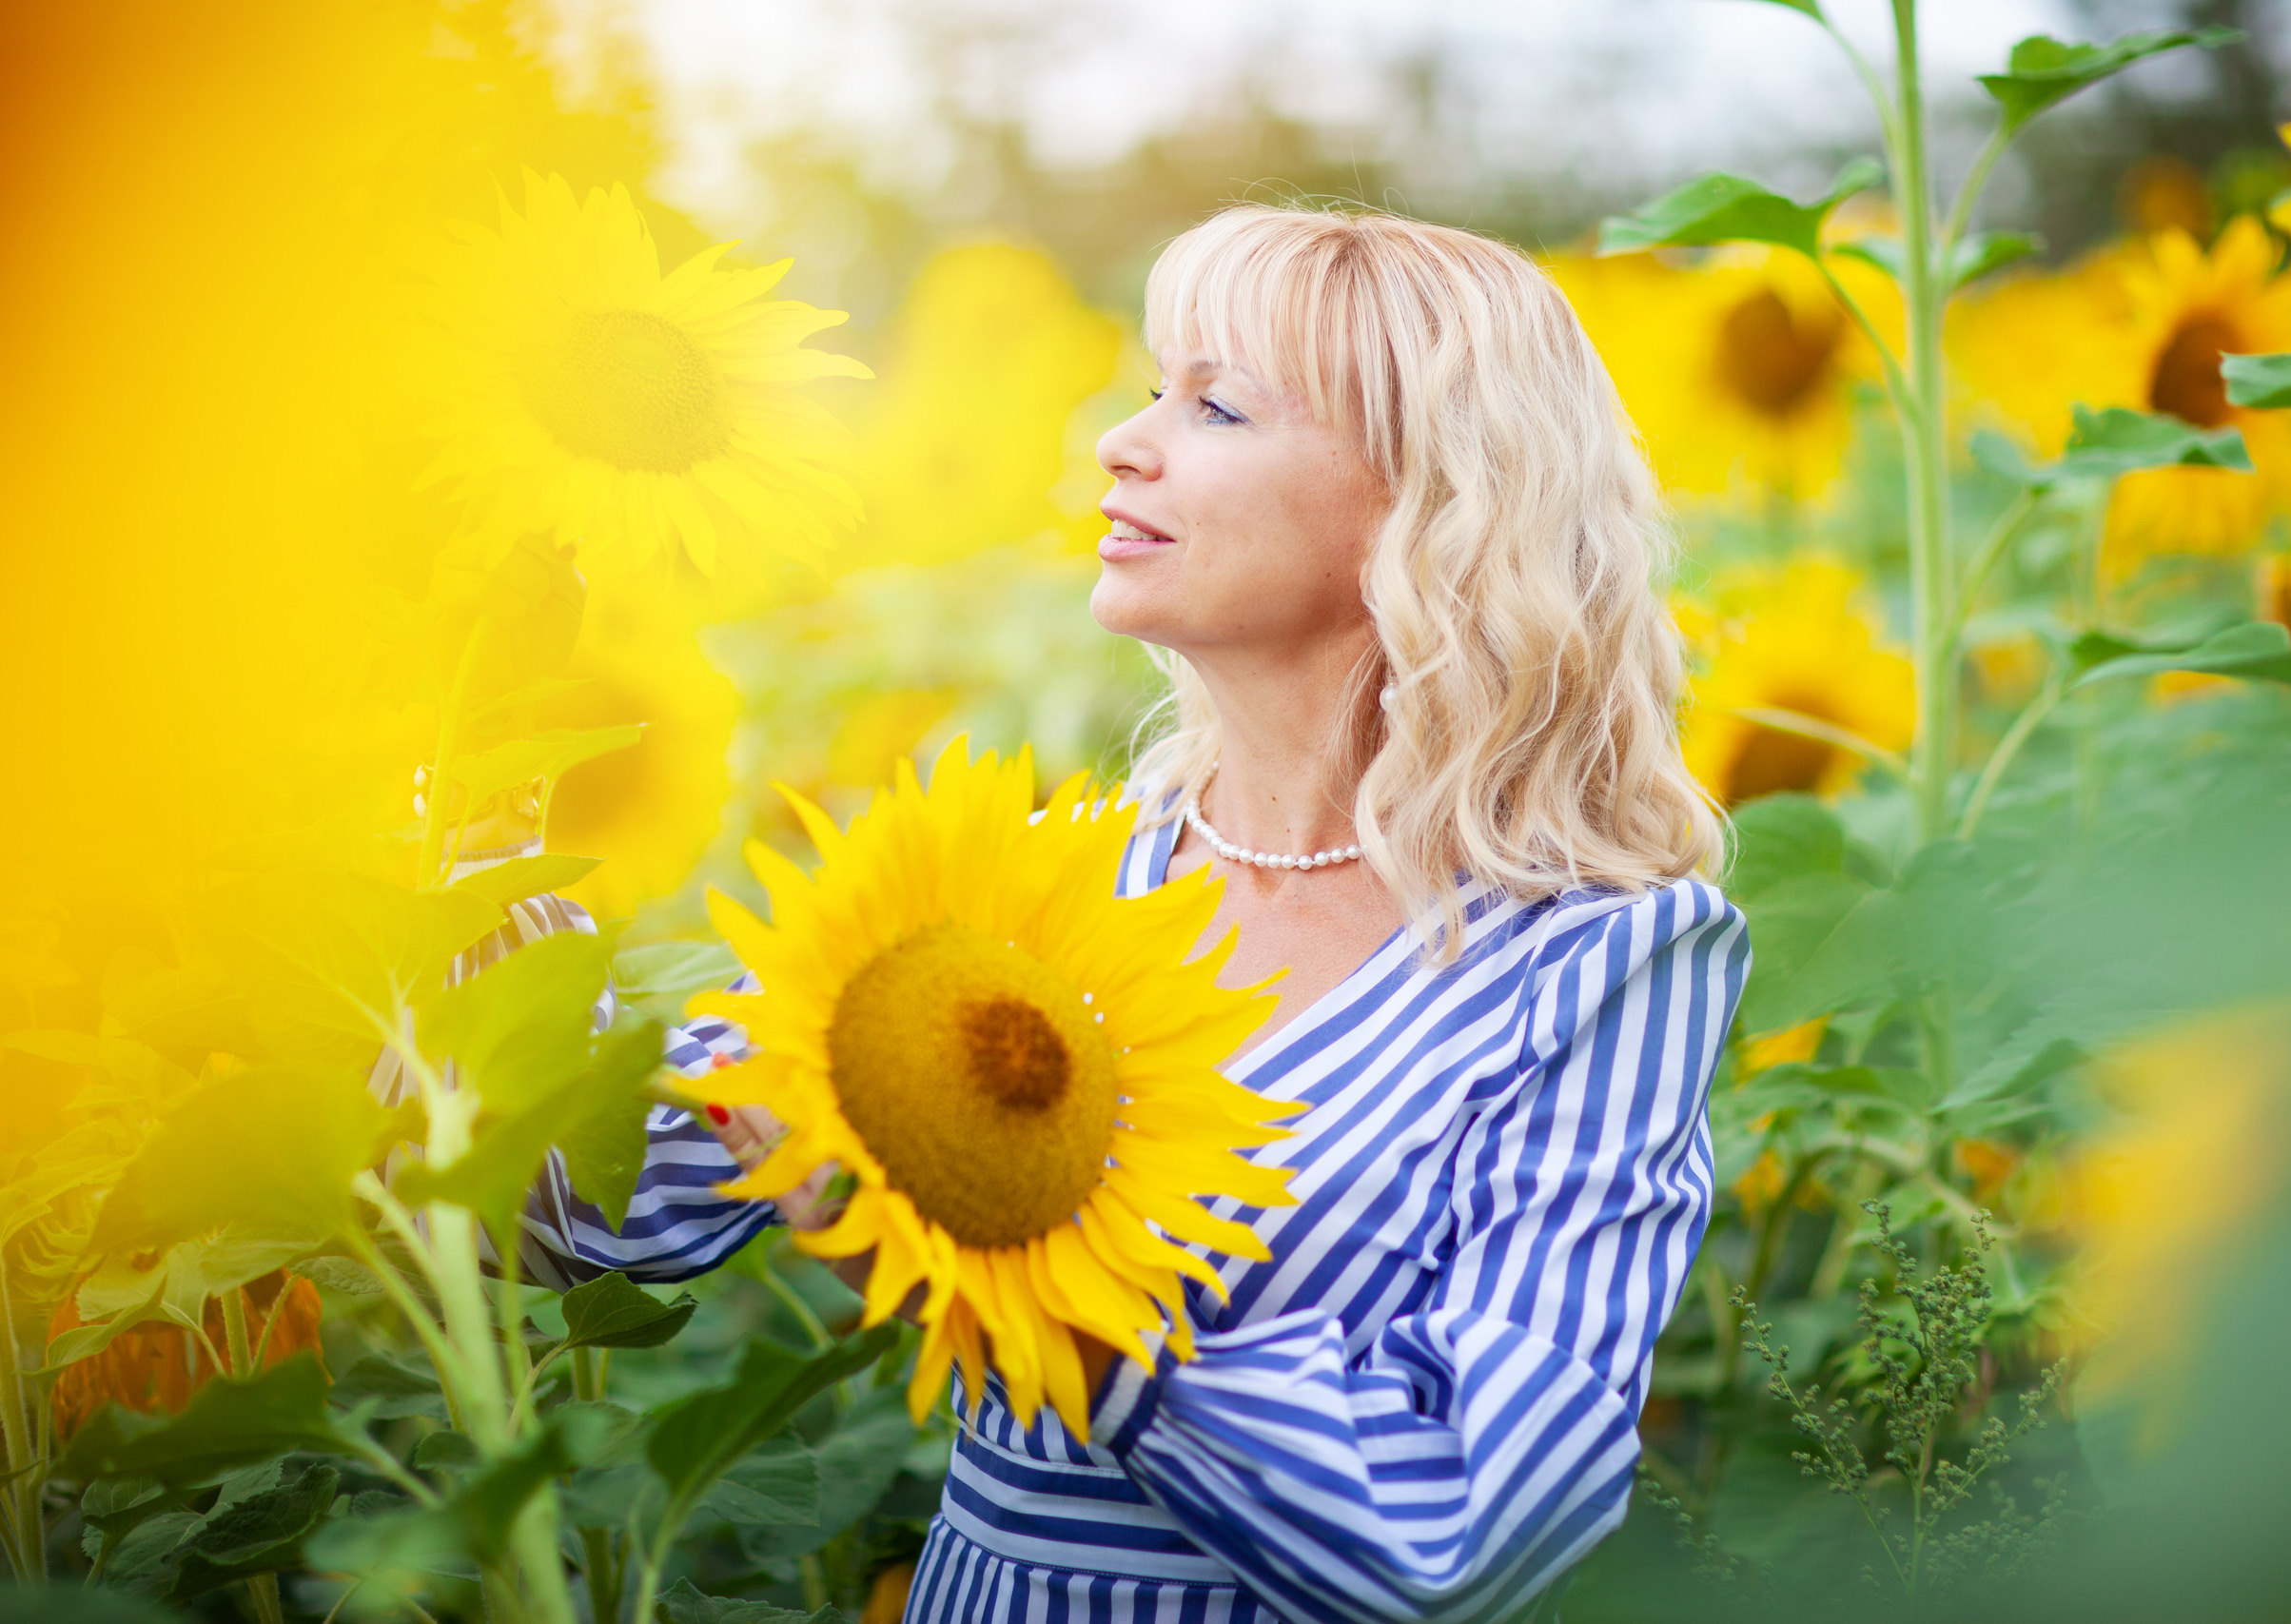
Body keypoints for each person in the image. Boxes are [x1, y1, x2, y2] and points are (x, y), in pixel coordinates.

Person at [444, 202, 1747, 1622]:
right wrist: (474, 805)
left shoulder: (1597, 960)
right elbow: (578, 1208)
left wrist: (1027, 1266)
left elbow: (1462, 1520)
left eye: (1220, 407)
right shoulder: (1038, 888)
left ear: (1428, 503)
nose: (1125, 445)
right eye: (1149, 394)